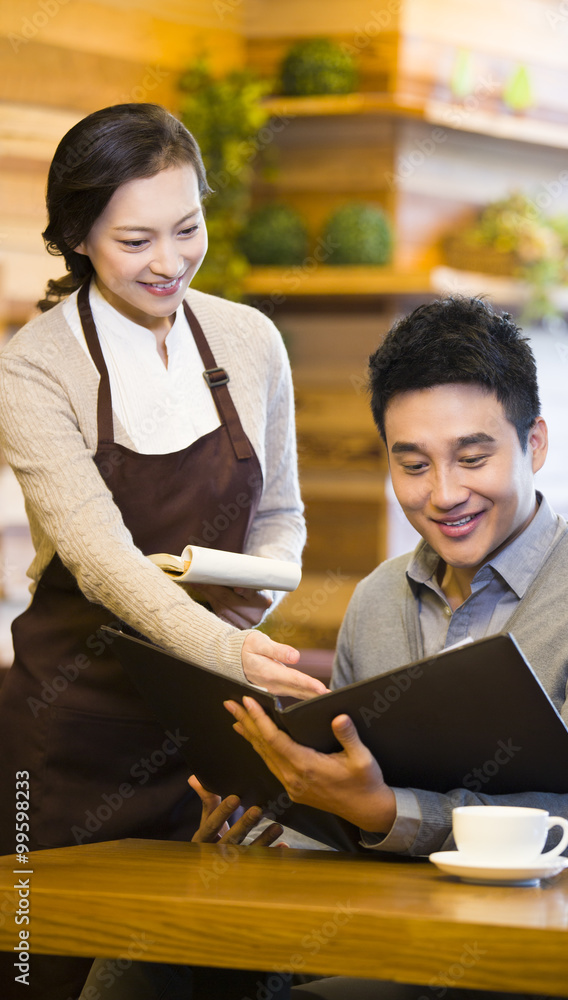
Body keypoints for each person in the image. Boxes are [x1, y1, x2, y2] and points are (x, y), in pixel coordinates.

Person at [223, 295, 568, 1000]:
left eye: (471, 457)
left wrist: (386, 812)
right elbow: (346, 807)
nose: (443, 493)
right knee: (150, 962)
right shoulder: (376, 598)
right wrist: (277, 813)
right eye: (413, 465)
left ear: (535, 445)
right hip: (399, 926)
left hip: (567, 946)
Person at [0, 103, 325, 1000]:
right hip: (70, 730)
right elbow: (101, 563)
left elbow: (284, 514)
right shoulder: (34, 369)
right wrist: (230, 649)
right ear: (79, 237)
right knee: (42, 963)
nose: (170, 260)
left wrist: (255, 602)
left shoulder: (250, 341)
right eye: (136, 239)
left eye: (188, 229)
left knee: (196, 963)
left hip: (203, 725)